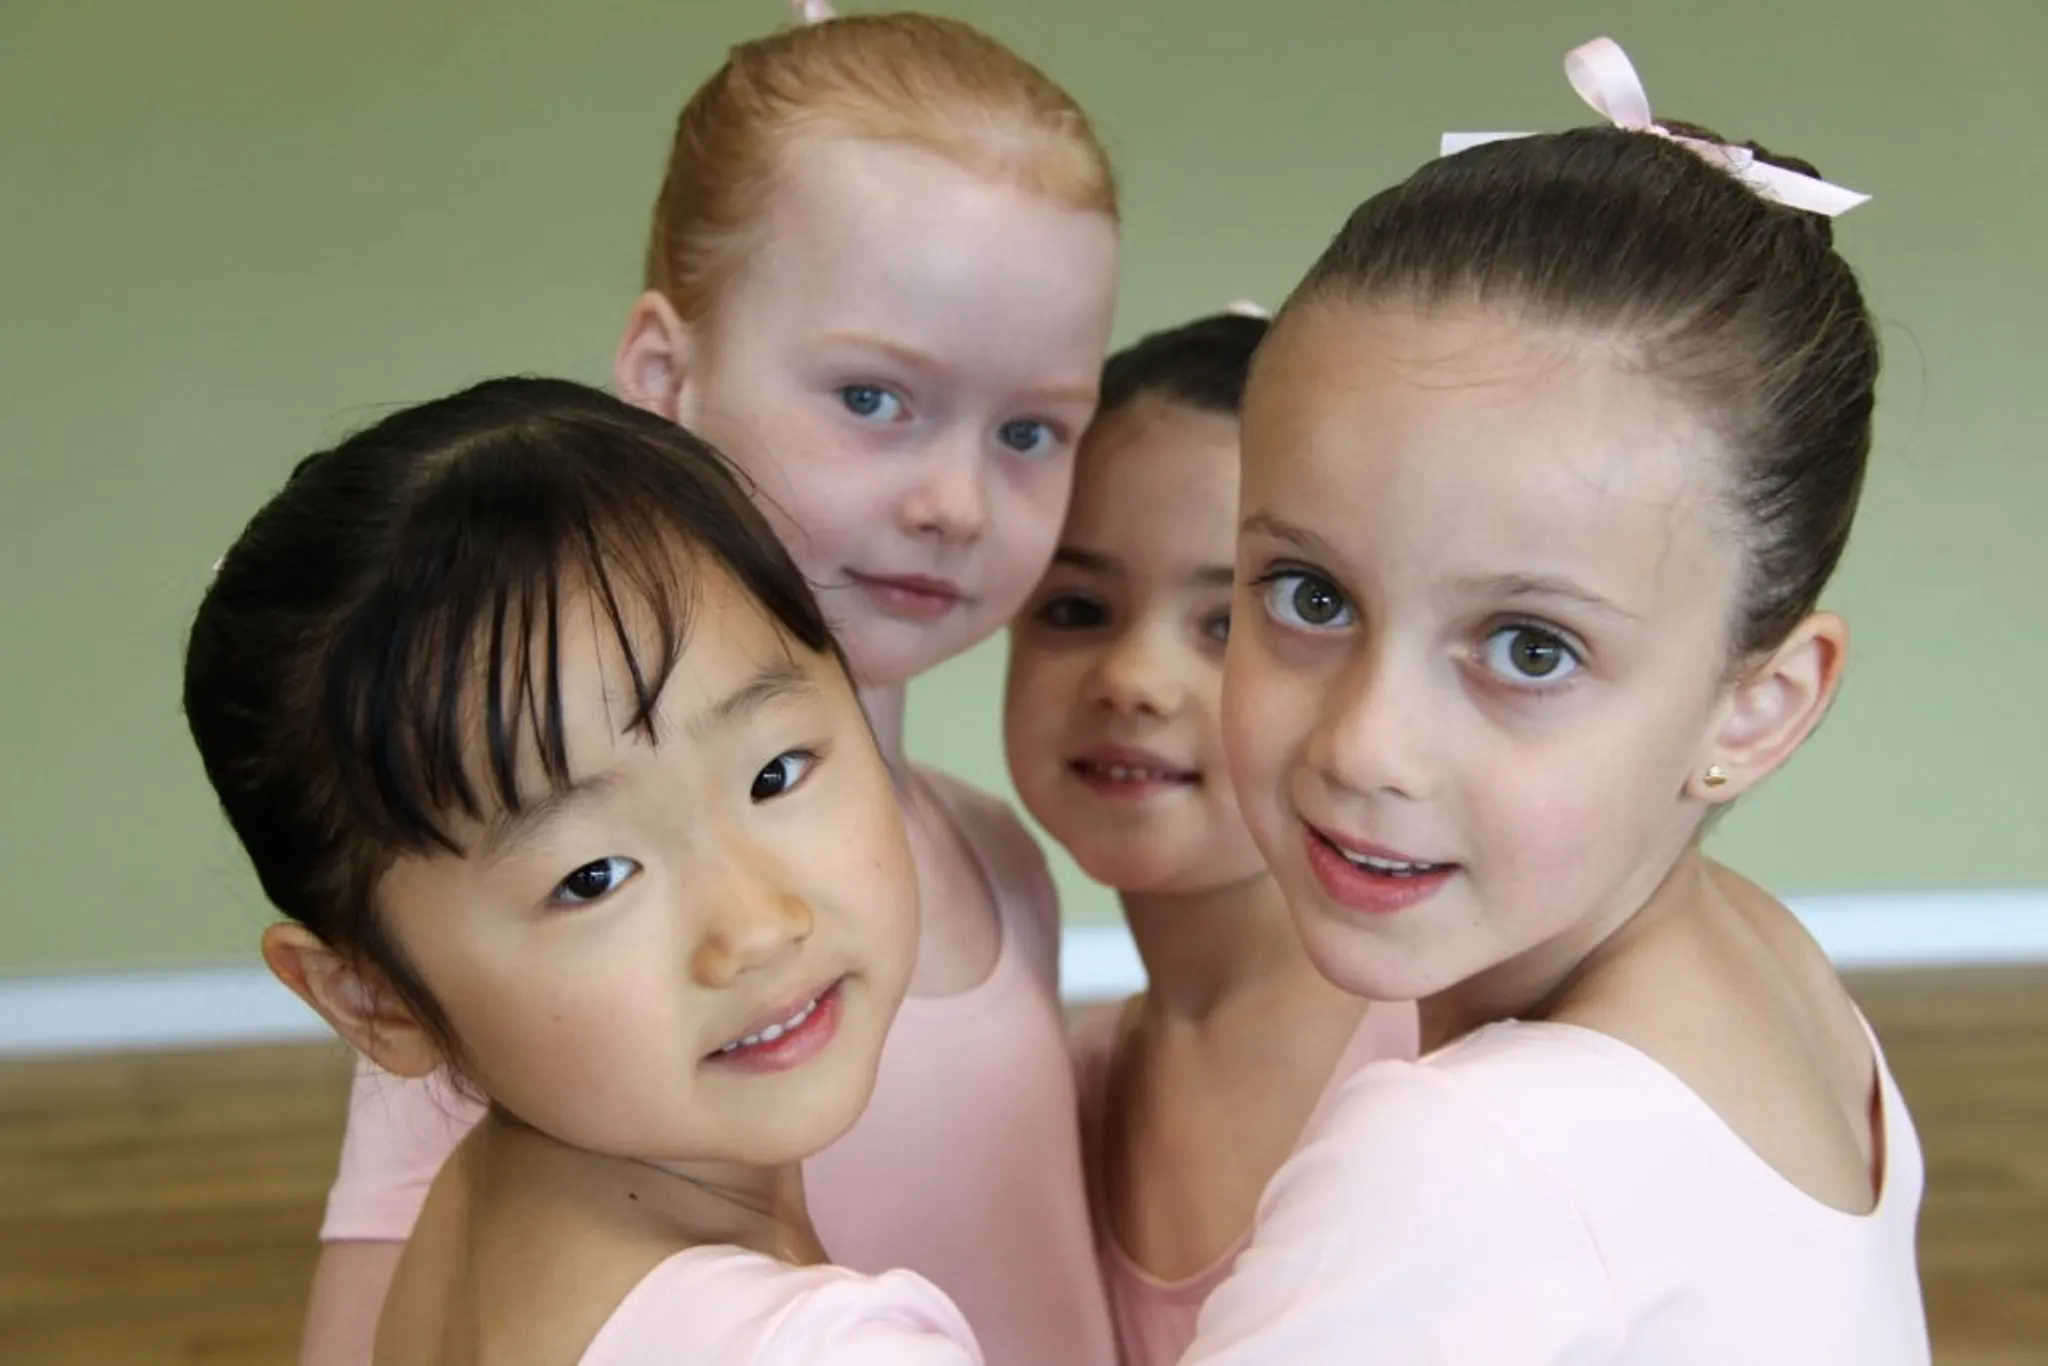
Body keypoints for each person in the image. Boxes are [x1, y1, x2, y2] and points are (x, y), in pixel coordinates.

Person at [305, 11, 1123, 1366]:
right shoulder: (547, 939)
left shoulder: (999, 863)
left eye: (1031, 429)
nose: (955, 502)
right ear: (663, 377)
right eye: (875, 397)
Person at [1183, 39, 1929, 1364]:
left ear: (1755, 708)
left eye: (1529, 649)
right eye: (1308, 593)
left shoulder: (1463, 1161)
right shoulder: (1780, 980)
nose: (1367, 744)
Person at [188, 378, 983, 1362]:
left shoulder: (482, 1206)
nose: (755, 924)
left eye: (773, 773)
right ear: (373, 999)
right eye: (594, 876)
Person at [1003, 310, 1417, 1366]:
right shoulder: (1075, 1082)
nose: (1133, 680)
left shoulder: (1430, 1055)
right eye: (1075, 607)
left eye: (1226, 623)